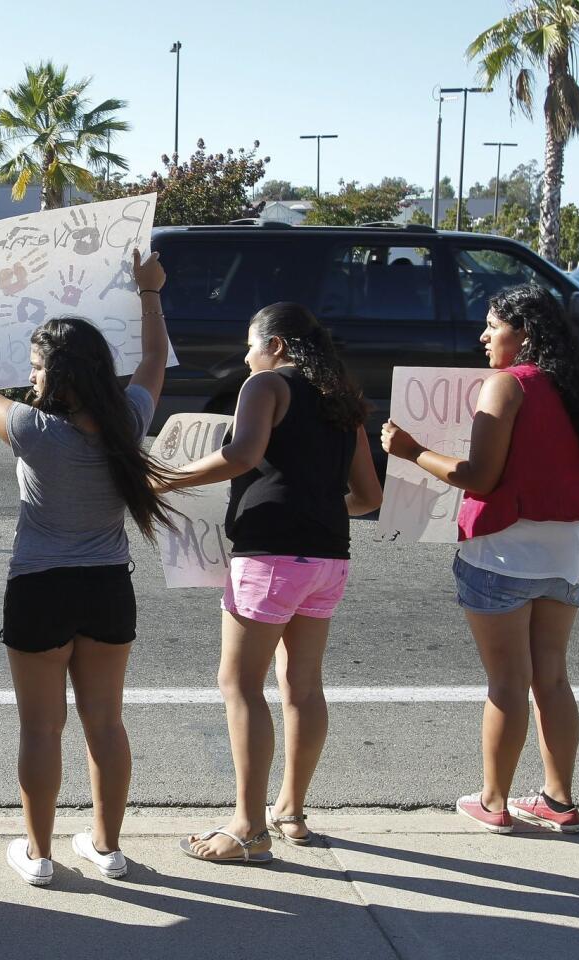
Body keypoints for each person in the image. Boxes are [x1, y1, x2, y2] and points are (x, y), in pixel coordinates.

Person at [0, 249, 172, 886]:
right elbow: (156, 360)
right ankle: (107, 848)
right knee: (105, 722)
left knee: (40, 726)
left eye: (34, 367)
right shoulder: (129, 419)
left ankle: (40, 853)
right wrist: (151, 292)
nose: (29, 378)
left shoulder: (30, 428)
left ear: (55, 375)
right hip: (109, 587)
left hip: (39, 589)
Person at [382, 283, 579, 834]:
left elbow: (478, 478)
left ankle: (494, 803)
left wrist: (410, 450)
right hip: (570, 553)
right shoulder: (577, 385)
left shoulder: (507, 386)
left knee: (506, 682)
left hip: (502, 552)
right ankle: (559, 800)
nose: (484, 335)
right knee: (552, 679)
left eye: (493, 324)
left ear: (522, 333)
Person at [163, 303, 382, 864]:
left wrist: (163, 477)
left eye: (251, 344)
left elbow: (241, 455)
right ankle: (292, 811)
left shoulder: (266, 386)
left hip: (270, 556)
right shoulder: (343, 402)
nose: (246, 356)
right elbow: (369, 496)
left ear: (277, 346)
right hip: (329, 557)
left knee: (239, 684)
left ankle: (247, 826)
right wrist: (316, 505)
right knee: (303, 687)